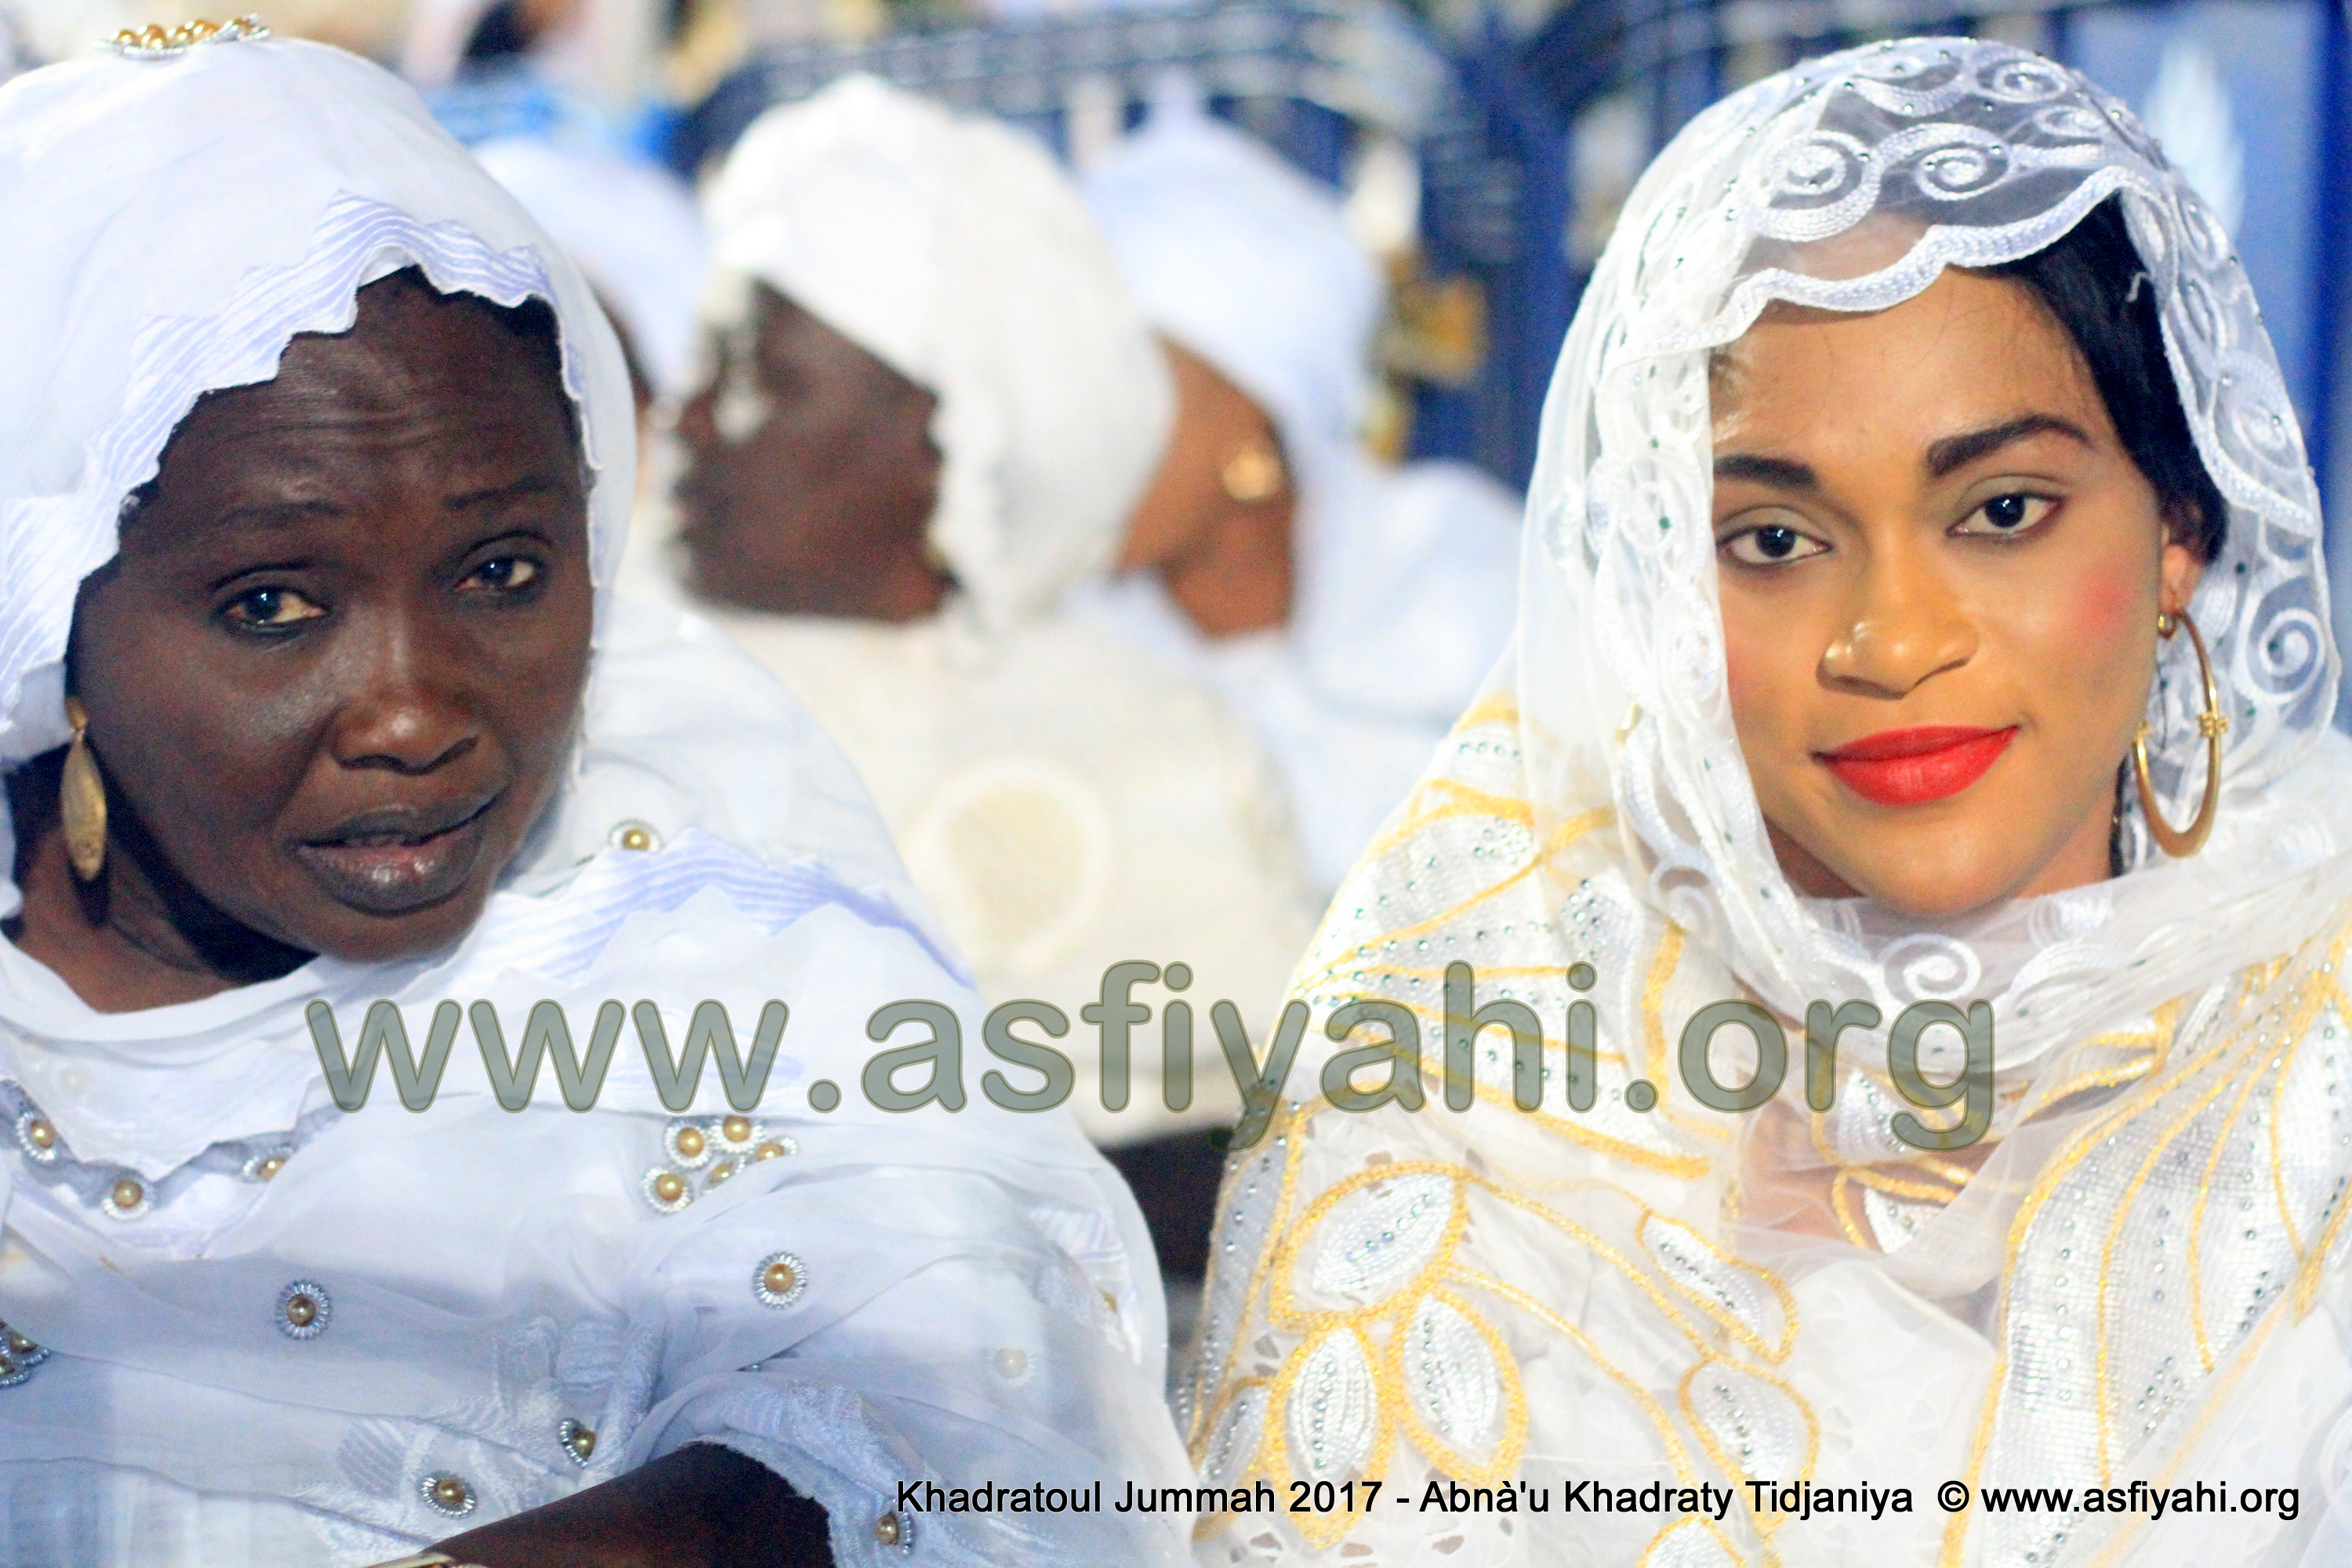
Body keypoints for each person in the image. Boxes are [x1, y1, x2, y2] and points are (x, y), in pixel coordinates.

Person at [0, 31, 1189, 1566]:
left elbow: (972, 1413)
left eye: (502, 572)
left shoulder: (707, 952)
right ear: (51, 623)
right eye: (274, 606)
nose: (415, 713)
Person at [1185, 38, 2352, 1566]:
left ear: (2178, 536)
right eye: (1777, 541)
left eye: (2002, 511)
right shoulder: (1454, 1087)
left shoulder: (2319, 1025)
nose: (1894, 640)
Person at [649, 74, 1319, 1150]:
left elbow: (1243, 1131)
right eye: (700, 360)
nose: (687, 419)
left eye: (757, 379)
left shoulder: (1148, 748)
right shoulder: (597, 680)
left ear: (946, 443)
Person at [1080, 91, 1523, 896]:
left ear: (1251, 415)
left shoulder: (1470, 575)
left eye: (1127, 383)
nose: (1074, 430)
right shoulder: (1055, 641)